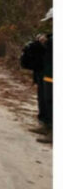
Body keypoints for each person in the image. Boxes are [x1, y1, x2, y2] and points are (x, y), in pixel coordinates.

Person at [31, 8, 53, 144]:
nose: (51, 23)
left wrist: (47, 42)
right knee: (46, 99)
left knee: (53, 101)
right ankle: (46, 124)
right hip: (48, 73)